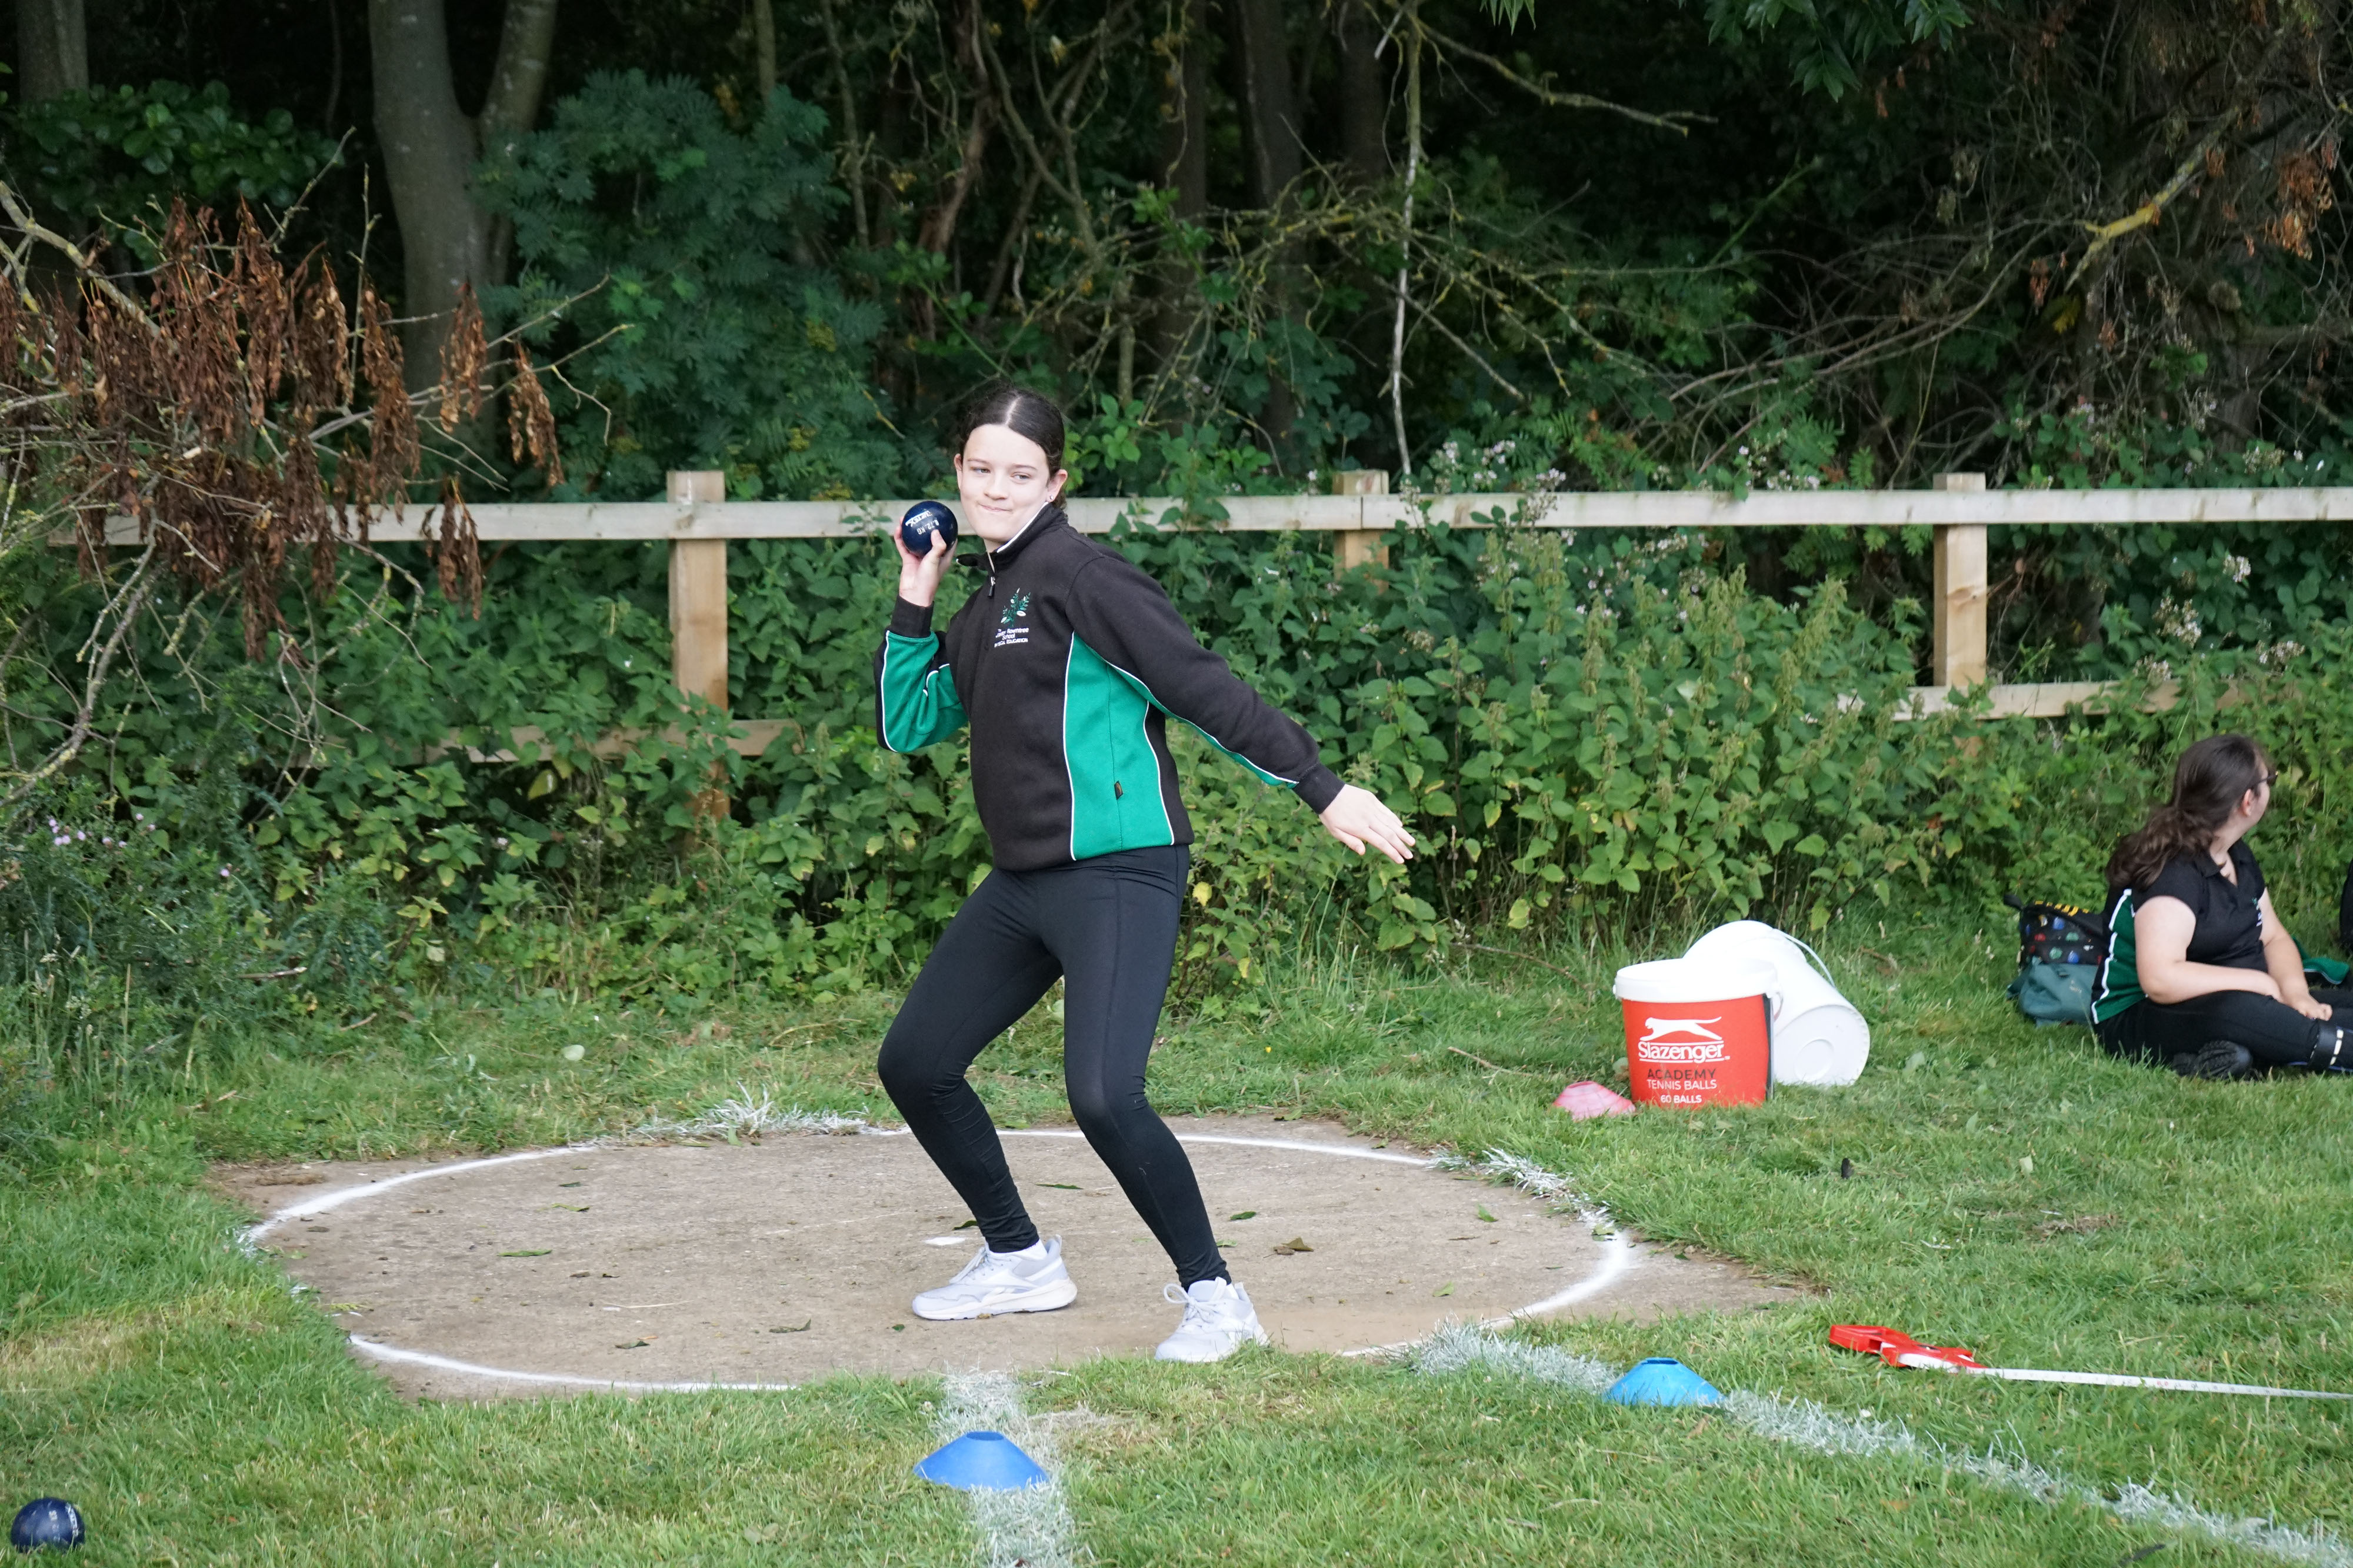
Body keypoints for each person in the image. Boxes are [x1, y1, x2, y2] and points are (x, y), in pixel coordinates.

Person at [870, 383, 1416, 1362]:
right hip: (1026, 882)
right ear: (957, 473)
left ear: (1055, 483)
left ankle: (1217, 1296)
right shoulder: (986, 599)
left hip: (1120, 872)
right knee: (915, 1061)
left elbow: (1202, 687)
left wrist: (1321, 788)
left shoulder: (1086, 580)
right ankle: (1019, 1258)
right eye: (980, 469)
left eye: (1019, 473)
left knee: (1105, 1094)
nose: (996, 488)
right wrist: (918, 589)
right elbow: (909, 724)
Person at [2093, 733, 2352, 1079]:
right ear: (2248, 801)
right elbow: (2160, 978)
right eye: (2270, 780)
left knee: (2311, 1007)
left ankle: (2228, 1055)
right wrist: (2256, 982)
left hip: (2231, 998)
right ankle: (2323, 1047)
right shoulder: (2174, 872)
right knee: (2245, 1013)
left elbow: (2273, 937)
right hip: (2140, 1014)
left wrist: (2296, 993)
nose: (2271, 787)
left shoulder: (2235, 854)